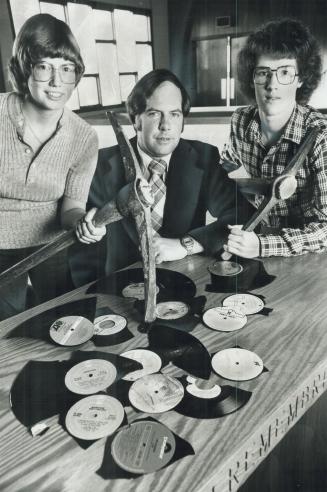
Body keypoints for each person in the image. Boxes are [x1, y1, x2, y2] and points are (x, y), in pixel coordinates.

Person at [70, 69, 251, 285]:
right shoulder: (101, 165)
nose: (166, 125)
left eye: (175, 114)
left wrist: (185, 245)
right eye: (154, 113)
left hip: (185, 281)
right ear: (136, 120)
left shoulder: (203, 158)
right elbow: (82, 252)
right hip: (118, 288)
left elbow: (242, 214)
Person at [0, 13, 106, 320]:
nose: (57, 81)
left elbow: (71, 206)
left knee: (62, 320)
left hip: (50, 245)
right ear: (24, 68)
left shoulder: (83, 136)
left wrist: (80, 224)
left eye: (67, 69)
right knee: (7, 329)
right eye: (44, 66)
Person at [223, 18, 327, 258]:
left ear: (301, 79)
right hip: (254, 244)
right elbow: (228, 163)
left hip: (309, 257)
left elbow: (325, 230)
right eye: (263, 73)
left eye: (285, 73)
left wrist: (262, 245)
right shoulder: (240, 121)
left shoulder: (321, 136)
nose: (272, 84)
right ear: (252, 78)